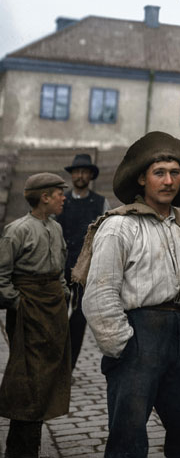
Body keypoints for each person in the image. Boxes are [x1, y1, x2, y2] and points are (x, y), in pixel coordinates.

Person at [77, 131, 180, 458]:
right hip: (139, 336)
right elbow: (99, 292)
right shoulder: (119, 227)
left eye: (175, 173)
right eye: (159, 173)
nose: (168, 181)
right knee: (129, 436)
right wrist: (122, 344)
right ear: (142, 179)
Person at [0, 173, 70, 458]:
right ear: (44, 197)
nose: (63, 198)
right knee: (27, 377)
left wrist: (64, 293)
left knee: (48, 376)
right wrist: (18, 303)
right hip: (29, 309)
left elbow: (60, 269)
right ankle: (20, 448)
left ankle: (31, 441)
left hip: (53, 309)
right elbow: (2, 277)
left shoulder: (56, 228)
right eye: (59, 194)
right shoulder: (16, 230)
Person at [55, 153, 110, 370]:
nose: (80, 176)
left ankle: (68, 368)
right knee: (57, 320)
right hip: (60, 269)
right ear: (71, 175)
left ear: (90, 176)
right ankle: (54, 366)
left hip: (85, 271)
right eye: (77, 172)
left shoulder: (100, 202)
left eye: (84, 172)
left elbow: (106, 235)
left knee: (78, 322)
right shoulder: (61, 201)